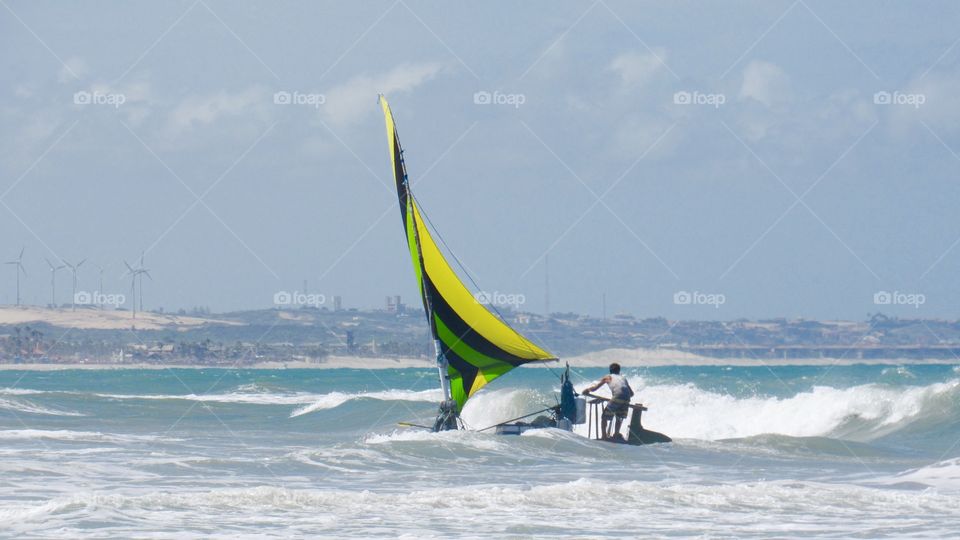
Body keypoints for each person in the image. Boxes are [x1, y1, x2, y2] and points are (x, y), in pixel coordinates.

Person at [582, 363, 634, 439]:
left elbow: (595, 388)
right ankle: (616, 434)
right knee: (619, 417)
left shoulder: (608, 377)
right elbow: (631, 393)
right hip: (627, 398)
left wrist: (587, 390)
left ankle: (604, 436)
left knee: (604, 417)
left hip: (618, 397)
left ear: (610, 370)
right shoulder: (623, 378)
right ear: (619, 371)